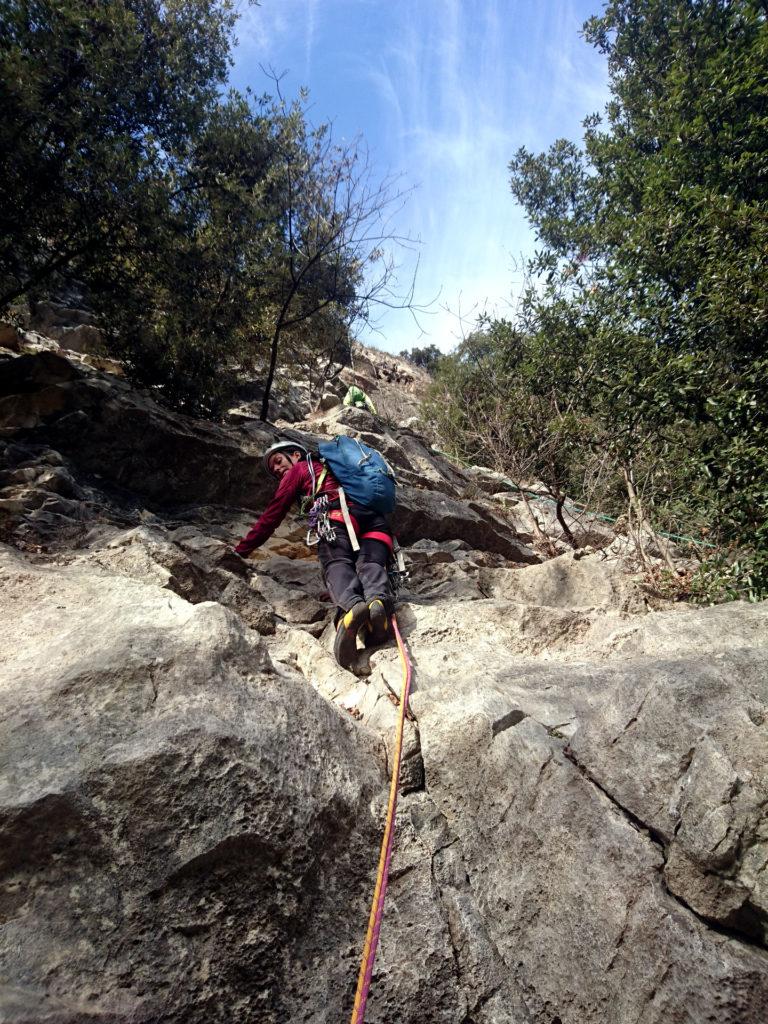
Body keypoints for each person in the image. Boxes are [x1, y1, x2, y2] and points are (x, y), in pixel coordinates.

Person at [234, 440, 394, 671]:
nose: (278, 470)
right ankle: (378, 603)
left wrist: (242, 550)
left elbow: (272, 515)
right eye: (274, 470)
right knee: (371, 562)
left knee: (337, 562)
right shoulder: (344, 471)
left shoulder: (300, 469)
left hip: (337, 516)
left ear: (295, 455)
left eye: (278, 461)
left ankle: (351, 607)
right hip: (376, 521)